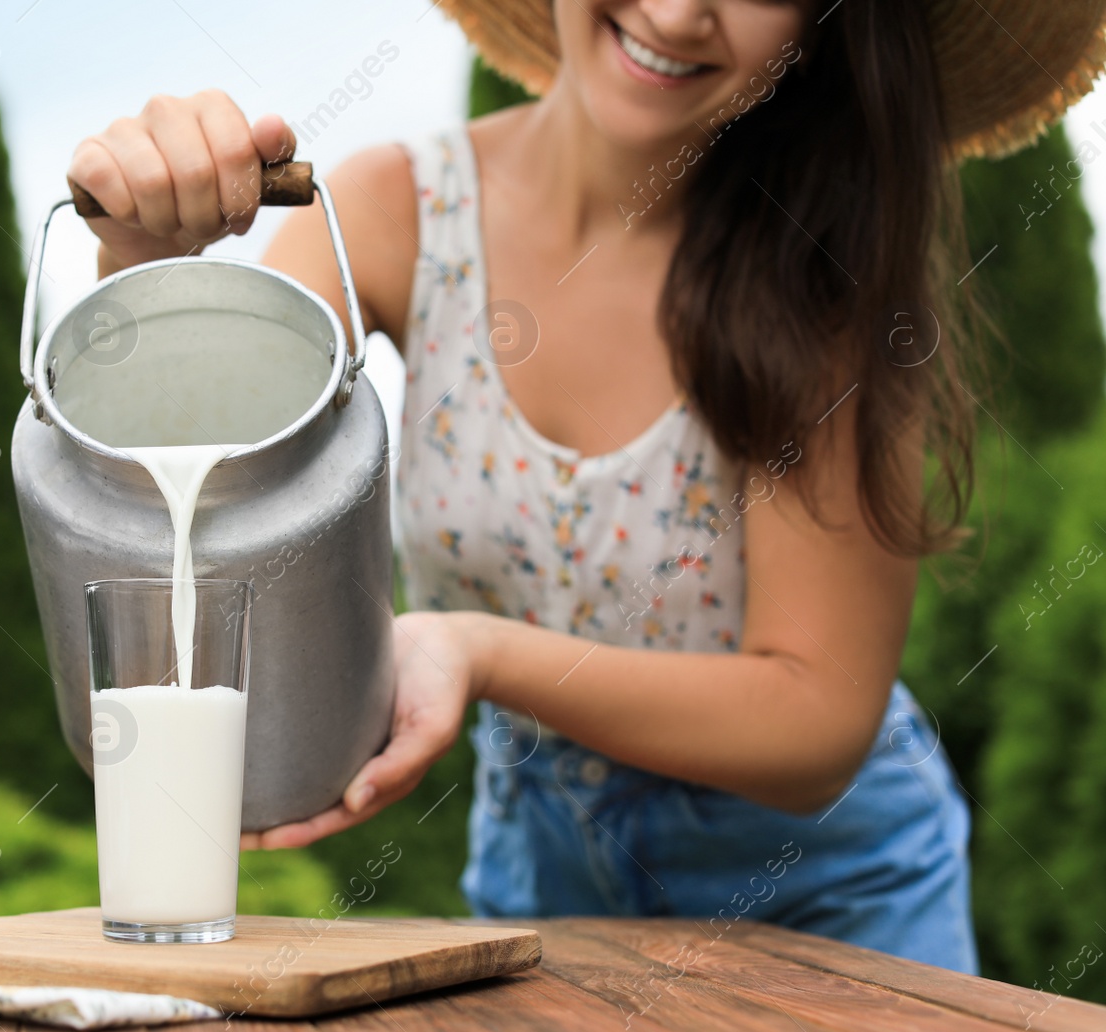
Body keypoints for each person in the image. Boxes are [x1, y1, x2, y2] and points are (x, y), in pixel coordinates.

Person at [66, 0, 1106, 972]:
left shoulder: (823, 277)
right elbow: (191, 527)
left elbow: (816, 721)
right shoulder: (395, 214)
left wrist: (481, 649)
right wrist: (145, 274)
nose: (675, 13)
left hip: (829, 903)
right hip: (547, 883)